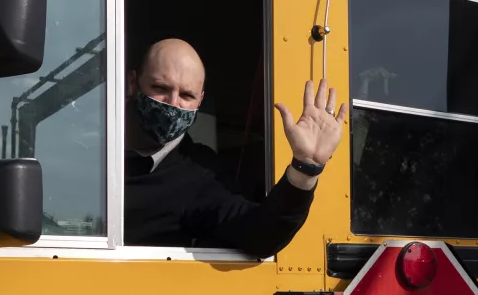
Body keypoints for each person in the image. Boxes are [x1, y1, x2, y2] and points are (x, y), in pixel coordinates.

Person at [124, 38, 347, 256]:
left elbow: (261, 234)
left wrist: (306, 167)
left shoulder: (201, 175)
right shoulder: (95, 151)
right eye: (161, 87)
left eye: (186, 95)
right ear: (133, 84)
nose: (173, 103)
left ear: (200, 101)